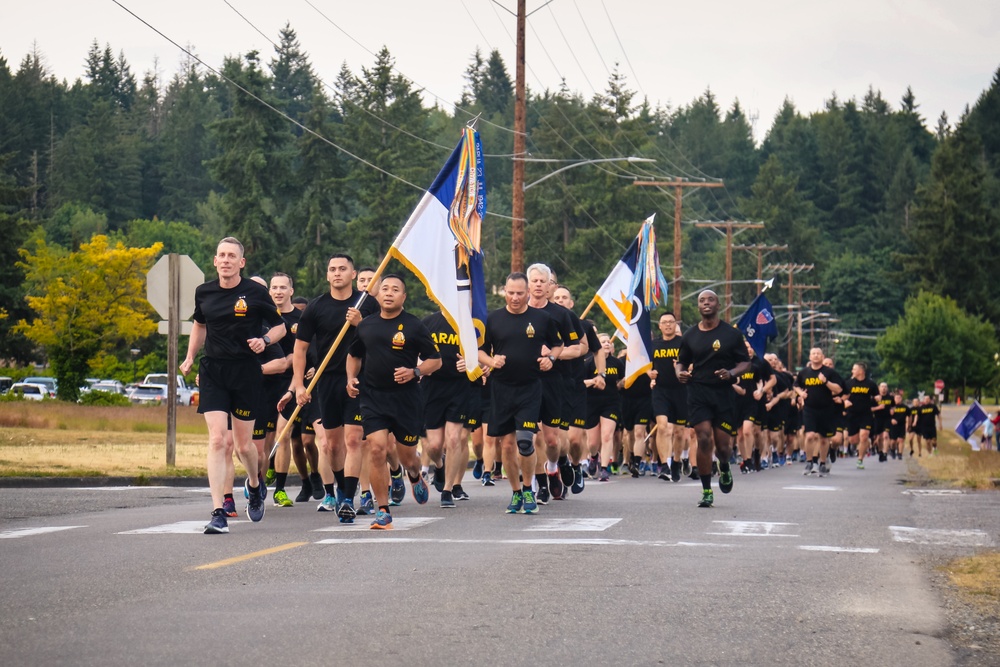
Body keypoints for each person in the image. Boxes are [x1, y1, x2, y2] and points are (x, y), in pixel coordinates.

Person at [180, 237, 287, 534]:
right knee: (217, 440)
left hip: (246, 372)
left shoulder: (255, 292)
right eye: (221, 255)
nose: (225, 260)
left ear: (241, 262)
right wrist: (190, 357)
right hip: (213, 370)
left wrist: (264, 340)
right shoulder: (204, 292)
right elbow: (200, 324)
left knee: (244, 447)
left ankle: (254, 484)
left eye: (232, 256)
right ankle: (218, 512)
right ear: (215, 261)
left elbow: (280, 327)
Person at [347, 274, 442, 529]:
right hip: (373, 397)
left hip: (406, 400)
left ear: (404, 297)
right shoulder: (366, 325)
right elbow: (354, 355)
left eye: (395, 289)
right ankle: (383, 510)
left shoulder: (414, 326)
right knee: (376, 448)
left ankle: (413, 474)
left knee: (407, 456)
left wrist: (416, 372)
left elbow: (436, 360)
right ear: (377, 294)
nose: (389, 293)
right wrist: (350, 378)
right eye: (385, 288)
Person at [289, 254, 380, 521]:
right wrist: (297, 384)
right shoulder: (316, 308)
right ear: (327, 275)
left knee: (354, 439)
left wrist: (361, 323)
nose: (337, 273)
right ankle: (342, 488)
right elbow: (300, 349)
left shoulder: (368, 304)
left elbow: (381, 339)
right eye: (332, 269)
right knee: (331, 445)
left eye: (343, 269)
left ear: (353, 274)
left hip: (359, 379)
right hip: (326, 380)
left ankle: (348, 498)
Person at [478, 272, 563, 515]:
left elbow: (558, 345)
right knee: (506, 445)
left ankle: (529, 488)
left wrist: (551, 358)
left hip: (530, 387)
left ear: (528, 293)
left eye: (520, 293)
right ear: (505, 291)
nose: (515, 298)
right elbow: (480, 352)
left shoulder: (542, 318)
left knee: (526, 441)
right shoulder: (492, 319)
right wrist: (492, 361)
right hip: (502, 388)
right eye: (511, 292)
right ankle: (515, 492)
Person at [675, 290, 750, 508]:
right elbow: (681, 362)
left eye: (710, 300)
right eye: (701, 301)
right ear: (698, 307)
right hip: (698, 392)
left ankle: (724, 465)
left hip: (723, 393)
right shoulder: (690, 335)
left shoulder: (731, 334)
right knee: (704, 438)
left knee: (723, 446)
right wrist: (680, 373)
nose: (706, 303)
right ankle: (707, 490)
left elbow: (745, 363)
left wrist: (732, 374)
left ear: (719, 305)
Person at [421, 309, 481, 507]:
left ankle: (447, 490)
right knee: (434, 445)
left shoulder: (467, 325)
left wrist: (470, 363)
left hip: (459, 388)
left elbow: (480, 354)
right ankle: (439, 465)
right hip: (432, 388)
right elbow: (416, 354)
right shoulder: (427, 323)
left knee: (454, 438)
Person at [650, 312, 689, 482]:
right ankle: (664, 464)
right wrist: (648, 373)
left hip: (681, 391)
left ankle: (677, 461)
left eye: (671, 322)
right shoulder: (653, 344)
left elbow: (693, 364)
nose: (667, 325)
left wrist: (684, 367)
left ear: (675, 324)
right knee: (663, 426)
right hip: (661, 390)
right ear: (659, 326)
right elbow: (642, 363)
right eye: (664, 322)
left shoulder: (683, 344)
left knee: (679, 433)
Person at [794, 348, 844, 477]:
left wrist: (826, 382)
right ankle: (809, 461)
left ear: (822, 356)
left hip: (826, 409)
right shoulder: (804, 372)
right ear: (810, 357)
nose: (816, 356)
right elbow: (796, 385)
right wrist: (801, 393)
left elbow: (838, 389)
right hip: (810, 409)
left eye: (818, 354)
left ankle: (822, 463)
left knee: (823, 438)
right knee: (810, 435)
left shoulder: (829, 372)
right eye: (813, 354)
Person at [584, 333, 622, 481]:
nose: (607, 343)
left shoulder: (617, 363)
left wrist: (623, 383)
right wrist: (592, 381)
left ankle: (604, 468)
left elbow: (622, 380)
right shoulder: (588, 363)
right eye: (603, 341)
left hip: (611, 403)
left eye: (608, 341)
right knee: (593, 442)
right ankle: (594, 457)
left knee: (607, 435)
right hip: (591, 402)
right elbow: (579, 382)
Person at [842, 363, 879, 470]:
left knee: (864, 436)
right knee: (853, 440)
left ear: (861, 371)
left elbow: (877, 396)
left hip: (865, 414)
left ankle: (860, 459)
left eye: (854, 369)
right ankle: (864, 444)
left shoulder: (871, 384)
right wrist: (845, 402)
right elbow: (843, 397)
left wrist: (878, 398)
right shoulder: (849, 383)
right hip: (852, 414)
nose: (852, 371)